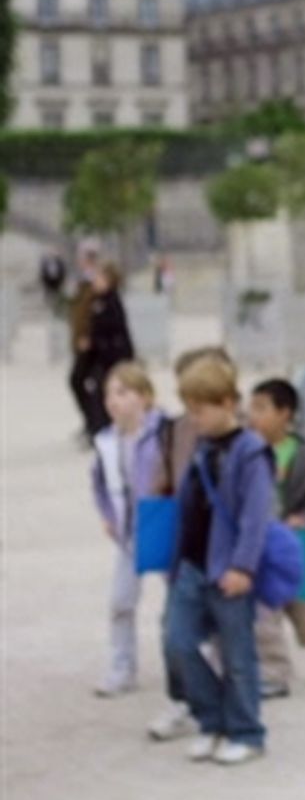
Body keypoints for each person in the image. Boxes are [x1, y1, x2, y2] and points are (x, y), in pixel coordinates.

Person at [163, 355, 274, 766]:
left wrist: (244, 567)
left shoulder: (251, 452)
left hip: (229, 570)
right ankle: (211, 720)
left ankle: (247, 730)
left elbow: (255, 516)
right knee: (178, 644)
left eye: (201, 409)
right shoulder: (201, 447)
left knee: (238, 656)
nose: (195, 418)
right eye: (190, 410)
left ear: (228, 402)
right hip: (192, 566)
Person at [145, 345, 236, 743]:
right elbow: (161, 481)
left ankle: (229, 713)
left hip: (226, 550)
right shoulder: (172, 430)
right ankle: (184, 700)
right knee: (173, 632)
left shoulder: (239, 435)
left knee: (230, 638)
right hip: (186, 547)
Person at [246, 378, 305, 699]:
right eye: (252, 407)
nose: (253, 415)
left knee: (304, 608)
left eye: (262, 408)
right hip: (261, 542)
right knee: (265, 608)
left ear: (285, 413)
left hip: (296, 542)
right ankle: (274, 674)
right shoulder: (246, 450)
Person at [89, 361, 170, 698]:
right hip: (129, 534)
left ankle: (202, 663)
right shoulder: (106, 441)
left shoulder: (164, 432)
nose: (113, 400)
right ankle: (123, 667)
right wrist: (108, 515)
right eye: (109, 393)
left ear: (146, 397)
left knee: (181, 602)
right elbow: (99, 482)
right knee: (121, 602)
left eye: (123, 392)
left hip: (164, 528)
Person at [76, 261, 137, 437]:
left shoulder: (111, 302)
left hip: (110, 357)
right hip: (97, 355)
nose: (95, 281)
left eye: (100, 277)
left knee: (100, 390)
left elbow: (114, 333)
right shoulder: (95, 299)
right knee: (82, 383)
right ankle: (94, 424)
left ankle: (100, 427)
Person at [67, 251, 100, 438]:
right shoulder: (81, 283)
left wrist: (88, 336)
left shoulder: (94, 284)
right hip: (81, 342)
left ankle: (93, 423)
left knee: (80, 380)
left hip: (90, 345)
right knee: (77, 381)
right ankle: (90, 421)